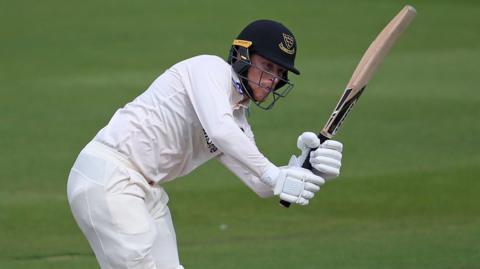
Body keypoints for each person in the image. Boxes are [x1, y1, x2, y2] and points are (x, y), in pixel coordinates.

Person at [67, 19, 344, 269]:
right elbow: (220, 131)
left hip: (146, 190)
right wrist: (274, 173)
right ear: (243, 56)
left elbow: (260, 184)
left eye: (279, 72)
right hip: (109, 177)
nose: (272, 79)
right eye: (267, 66)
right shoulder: (210, 69)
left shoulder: (237, 120)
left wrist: (304, 167)